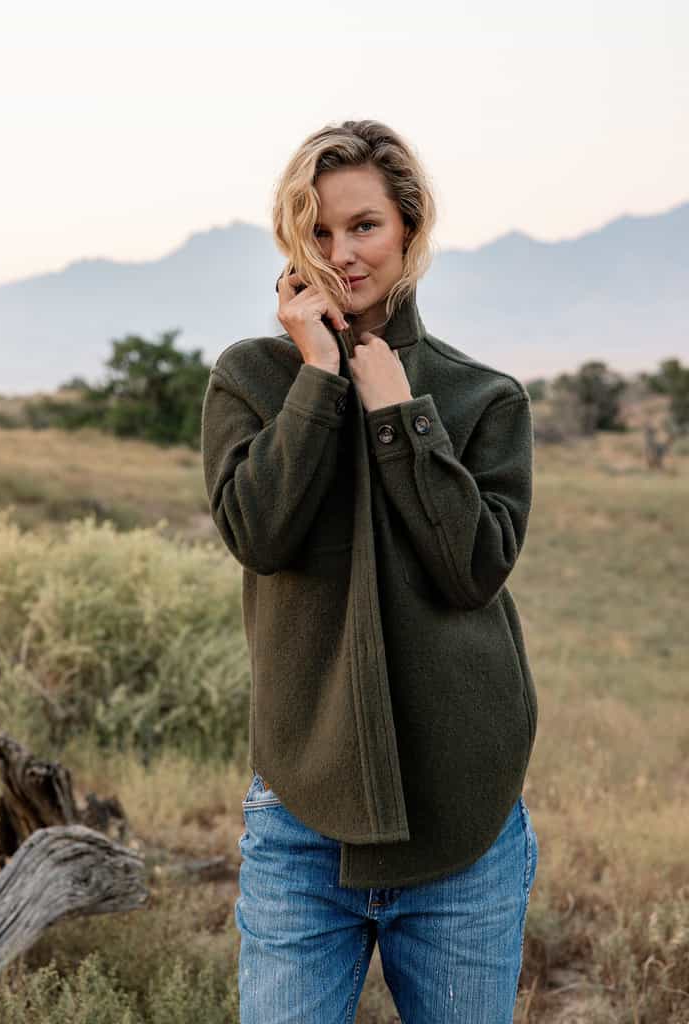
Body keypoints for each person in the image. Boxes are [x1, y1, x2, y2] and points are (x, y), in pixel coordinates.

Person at [200, 119, 539, 1023]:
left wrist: (403, 419)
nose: (342, 254)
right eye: (317, 231)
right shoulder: (251, 380)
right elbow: (258, 534)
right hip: (301, 824)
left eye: (364, 226)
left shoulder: (482, 398)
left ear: (410, 229)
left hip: (463, 827)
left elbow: (473, 571)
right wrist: (319, 380)